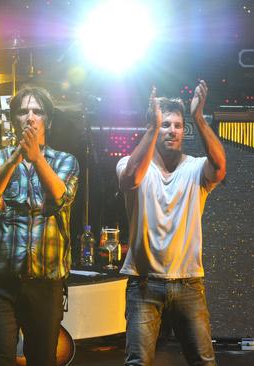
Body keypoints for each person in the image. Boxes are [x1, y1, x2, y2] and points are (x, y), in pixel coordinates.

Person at [116, 82, 226, 366]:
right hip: (143, 283)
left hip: (188, 282)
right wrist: (152, 129)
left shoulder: (195, 168)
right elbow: (131, 178)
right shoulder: (131, 163)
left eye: (178, 125)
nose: (172, 130)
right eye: (165, 124)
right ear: (153, 126)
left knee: (204, 361)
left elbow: (220, 167)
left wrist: (199, 118)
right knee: (137, 361)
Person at [0, 86, 79, 366]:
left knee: (42, 360)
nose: (30, 117)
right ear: (14, 120)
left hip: (45, 283)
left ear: (48, 120)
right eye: (23, 111)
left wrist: (37, 158)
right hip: (1, 281)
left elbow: (60, 196)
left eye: (38, 111)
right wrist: (16, 158)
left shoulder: (65, 161)